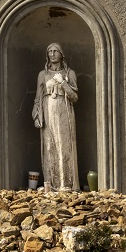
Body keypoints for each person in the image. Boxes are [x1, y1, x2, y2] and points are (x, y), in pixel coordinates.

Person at [32, 42, 78, 191]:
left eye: (55, 51)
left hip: (64, 112)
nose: (52, 54)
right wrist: (37, 114)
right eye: (49, 51)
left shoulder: (69, 73)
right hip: (48, 113)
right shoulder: (42, 75)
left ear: (61, 54)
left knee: (64, 146)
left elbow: (74, 97)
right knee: (49, 146)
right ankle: (49, 183)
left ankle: (66, 183)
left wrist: (63, 82)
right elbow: (38, 98)